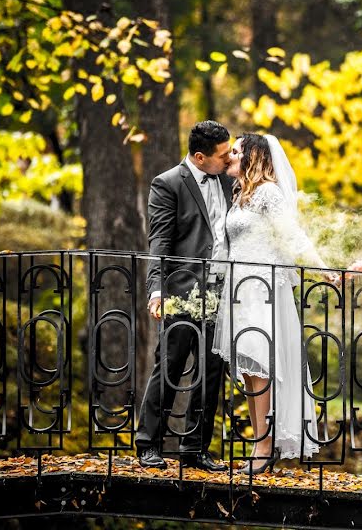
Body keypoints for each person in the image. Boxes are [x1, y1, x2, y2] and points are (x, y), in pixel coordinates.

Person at [212, 133, 335, 474]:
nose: (229, 156)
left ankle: (264, 448)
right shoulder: (240, 196)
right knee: (251, 372)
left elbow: (292, 234)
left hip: (262, 290)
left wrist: (324, 270)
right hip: (239, 291)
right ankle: (260, 444)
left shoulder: (268, 193)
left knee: (260, 367)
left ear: (252, 157)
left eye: (236, 151)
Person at [136, 120, 233, 472]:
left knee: (210, 373)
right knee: (171, 367)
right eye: (223, 155)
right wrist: (157, 289)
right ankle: (148, 443)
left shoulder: (230, 179)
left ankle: (195, 449)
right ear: (199, 156)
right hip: (182, 290)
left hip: (222, 292)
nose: (229, 158)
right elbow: (159, 241)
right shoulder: (168, 183)